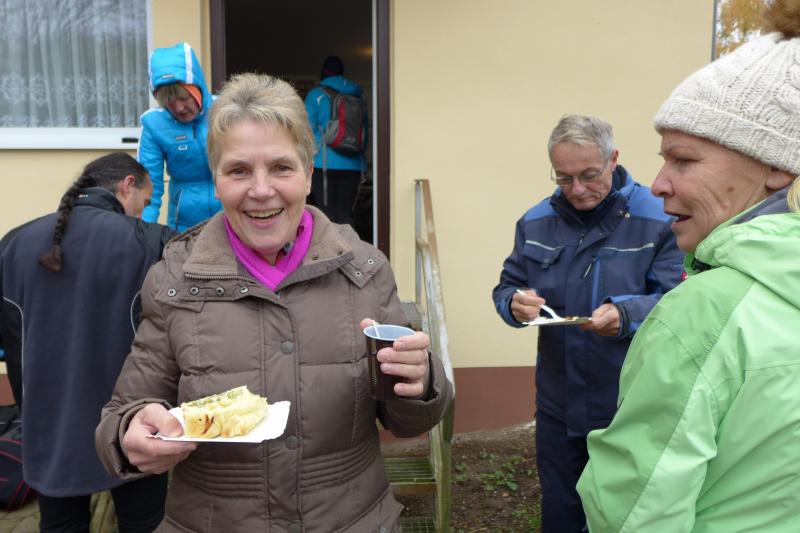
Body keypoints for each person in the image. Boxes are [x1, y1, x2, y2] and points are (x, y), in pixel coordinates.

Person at [95, 73, 453, 532]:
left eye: (281, 167)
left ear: (308, 174)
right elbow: (121, 415)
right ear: (216, 179)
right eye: (239, 170)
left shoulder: (365, 269)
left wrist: (420, 382)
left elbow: (405, 422)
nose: (261, 190)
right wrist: (131, 434)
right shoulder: (174, 280)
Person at [576, 2, 800, 531]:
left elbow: (633, 515)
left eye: (684, 159)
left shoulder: (704, 313)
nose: (658, 184)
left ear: (776, 165)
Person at [492, 114, 684, 532]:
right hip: (558, 404)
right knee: (562, 509)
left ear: (613, 159)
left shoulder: (661, 217)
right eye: (564, 178)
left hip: (631, 404)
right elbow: (507, 287)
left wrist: (627, 314)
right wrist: (514, 304)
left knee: (627, 513)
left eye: (589, 175)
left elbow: (681, 300)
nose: (577, 189)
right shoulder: (535, 222)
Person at [0, 153, 176, 532]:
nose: (143, 212)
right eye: (145, 202)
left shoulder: (13, 244)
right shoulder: (150, 242)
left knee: (60, 525)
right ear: (127, 185)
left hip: (47, 427)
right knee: (144, 524)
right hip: (133, 423)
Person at [138, 42, 222, 231]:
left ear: (198, 88)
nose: (178, 108)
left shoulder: (227, 110)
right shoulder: (153, 125)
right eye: (169, 101)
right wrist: (142, 233)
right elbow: (148, 188)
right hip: (184, 224)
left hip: (231, 216)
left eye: (184, 98)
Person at [304, 55, 368, 226]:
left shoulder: (315, 95)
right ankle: (349, 244)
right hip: (353, 166)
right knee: (346, 215)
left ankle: (329, 245)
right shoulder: (358, 98)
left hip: (323, 164)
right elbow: (364, 134)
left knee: (326, 216)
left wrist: (307, 160)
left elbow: (306, 131)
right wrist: (363, 164)